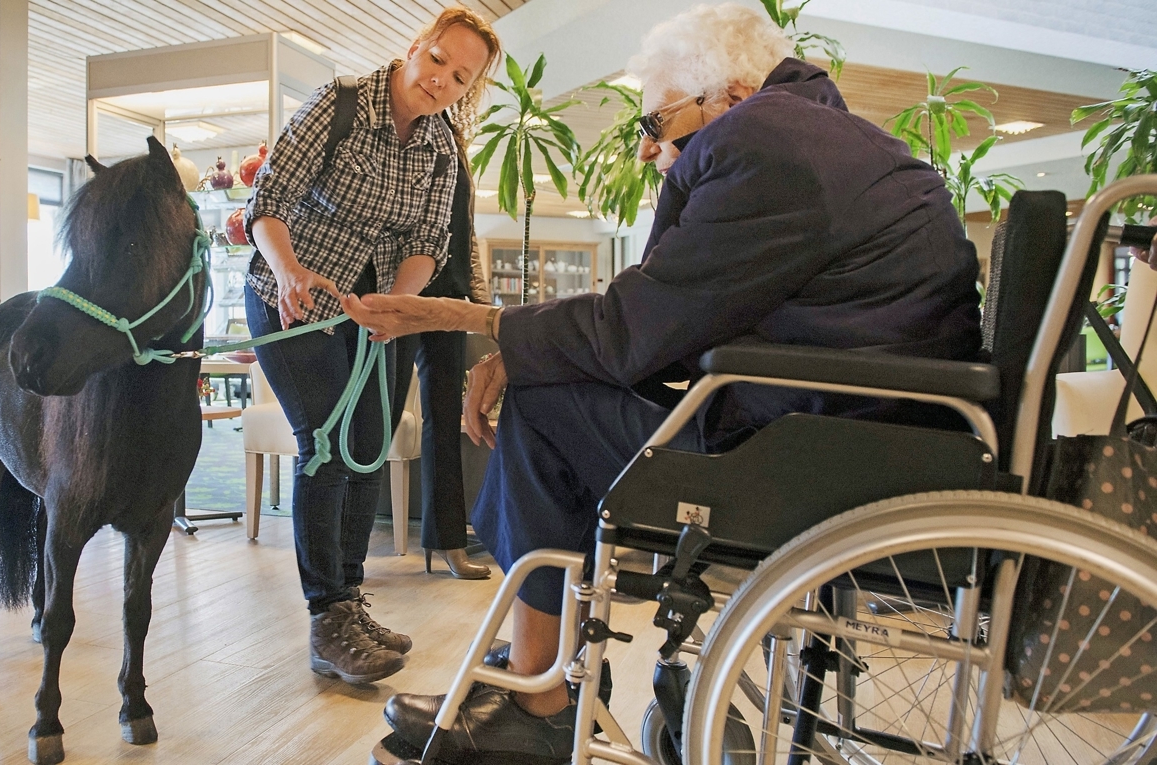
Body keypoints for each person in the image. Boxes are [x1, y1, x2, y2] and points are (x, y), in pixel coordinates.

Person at [343, 3, 983, 760]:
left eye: (655, 123)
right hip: (865, 433)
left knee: (546, 403)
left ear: (729, 96)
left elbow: (633, 331)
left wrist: (466, 319)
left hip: (816, 455)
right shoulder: (829, 137)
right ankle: (541, 677)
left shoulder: (764, 140)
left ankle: (541, 695)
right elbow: (667, 327)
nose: (648, 151)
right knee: (564, 385)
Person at [243, 6, 500, 685]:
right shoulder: (341, 104)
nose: (443, 80)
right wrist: (292, 270)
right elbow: (266, 201)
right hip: (289, 292)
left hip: (369, 309)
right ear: (416, 48)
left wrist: (396, 307)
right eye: (439, 60)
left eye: (461, 78)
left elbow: (425, 244)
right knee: (325, 439)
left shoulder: (443, 149)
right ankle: (327, 615)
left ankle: (349, 601)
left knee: (367, 441)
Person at [388, 130, 492, 581]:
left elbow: (464, 230)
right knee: (381, 417)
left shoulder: (455, 143)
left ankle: (448, 542)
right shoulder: (399, 130)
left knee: (445, 421)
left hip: (449, 296)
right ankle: (344, 552)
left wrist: (480, 301)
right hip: (398, 292)